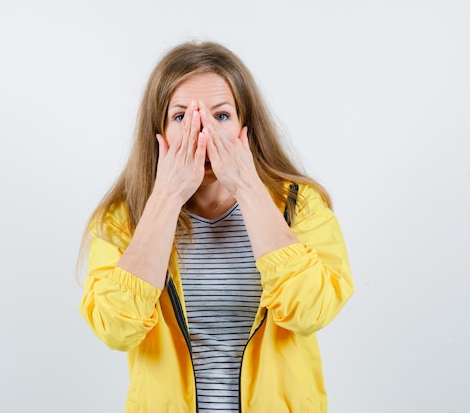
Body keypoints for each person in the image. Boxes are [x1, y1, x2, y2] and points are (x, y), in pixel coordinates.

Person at [79, 41, 354, 413]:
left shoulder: (299, 204)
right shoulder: (123, 218)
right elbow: (114, 328)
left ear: (246, 126)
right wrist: (165, 199)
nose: (203, 135)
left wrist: (248, 187)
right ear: (157, 133)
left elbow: (312, 310)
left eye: (221, 116)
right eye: (181, 118)